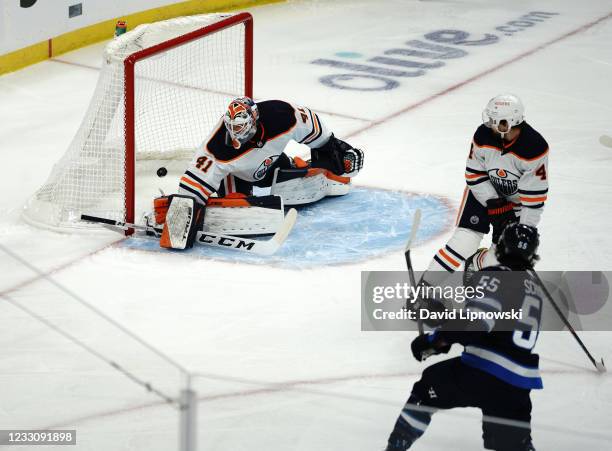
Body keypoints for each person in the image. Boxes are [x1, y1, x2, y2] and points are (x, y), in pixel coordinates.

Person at [386, 223, 543, 451]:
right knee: (513, 446)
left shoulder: (495, 276)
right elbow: (494, 332)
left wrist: (434, 340)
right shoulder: (534, 290)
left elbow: (475, 325)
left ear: (501, 247)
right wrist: (443, 326)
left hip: (482, 373)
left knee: (426, 387)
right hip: (517, 386)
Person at [154, 97, 364, 249]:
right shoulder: (216, 148)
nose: (235, 136)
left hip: (269, 163)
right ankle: (235, 198)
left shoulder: (282, 115)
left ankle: (292, 168)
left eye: (241, 128)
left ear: (254, 120)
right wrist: (179, 216)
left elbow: (311, 126)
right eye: (232, 128)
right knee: (231, 193)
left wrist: (332, 148)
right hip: (237, 175)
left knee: (306, 167)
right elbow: (193, 184)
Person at [423, 94, 548, 286]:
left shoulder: (534, 147)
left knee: (504, 256)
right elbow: (474, 174)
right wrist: (494, 203)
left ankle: (477, 264)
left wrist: (524, 231)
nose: (489, 123)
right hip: (482, 194)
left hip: (516, 204)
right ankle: (424, 289)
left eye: (493, 120)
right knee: (465, 241)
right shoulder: (482, 135)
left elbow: (534, 197)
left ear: (507, 122)